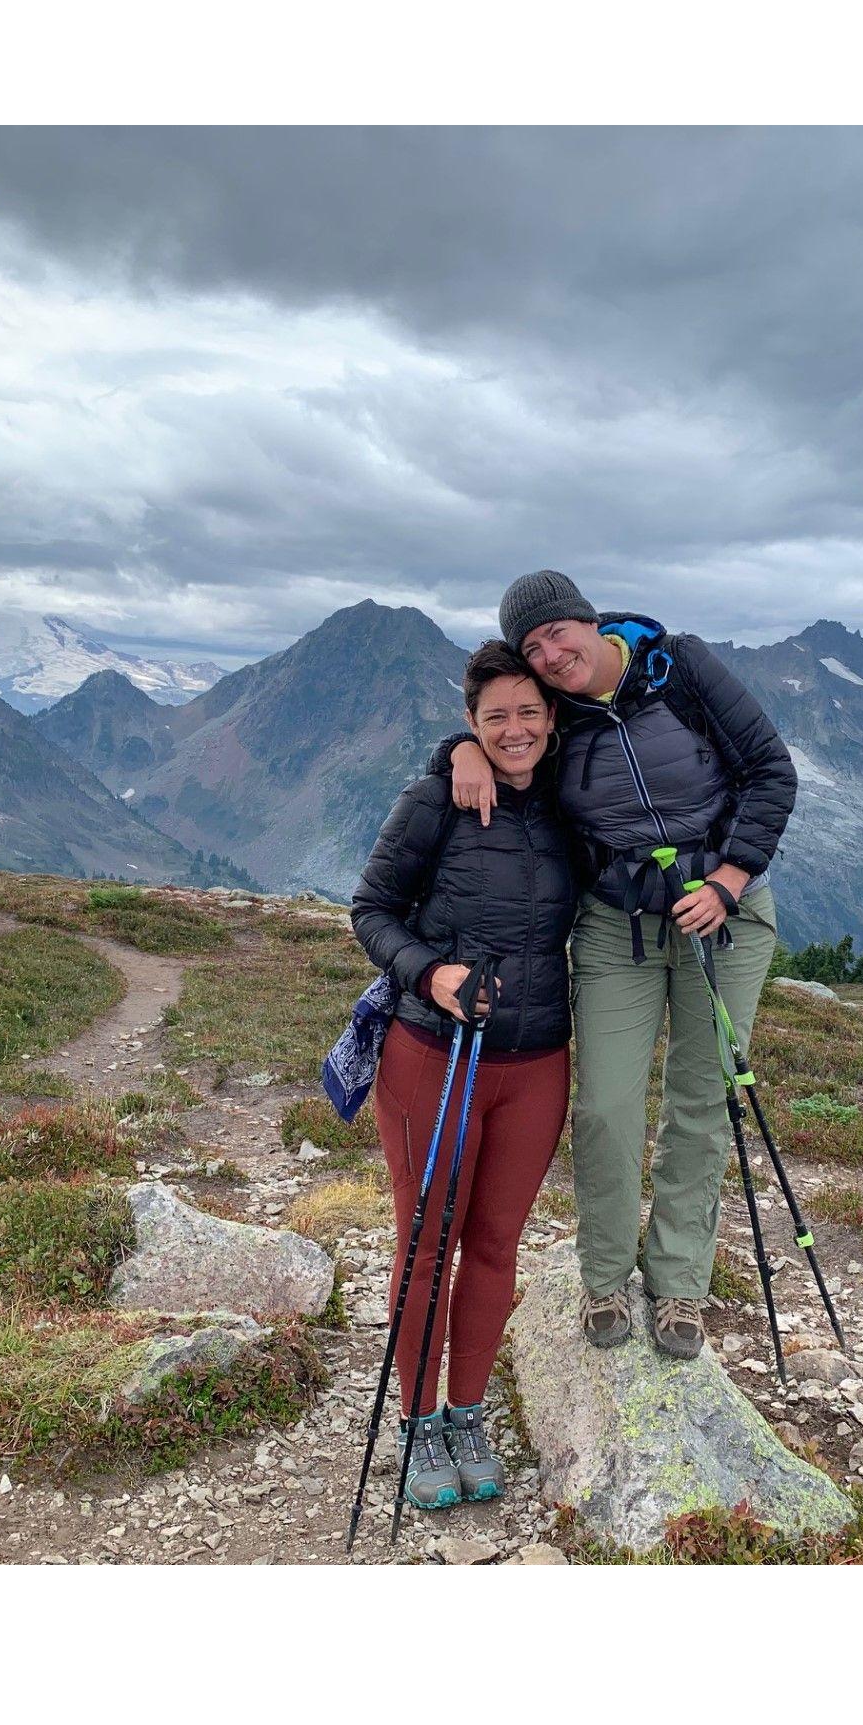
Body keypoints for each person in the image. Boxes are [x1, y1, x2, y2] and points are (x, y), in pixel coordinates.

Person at [443, 570, 795, 1361]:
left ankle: (678, 1287)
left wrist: (731, 881)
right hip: (615, 925)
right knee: (604, 1105)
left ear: (588, 621)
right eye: (533, 649)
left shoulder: (681, 666)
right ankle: (604, 1275)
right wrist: (463, 744)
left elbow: (771, 771)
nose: (551, 655)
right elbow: (507, 732)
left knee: (701, 1102)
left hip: (724, 916)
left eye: (556, 634)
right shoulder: (553, 710)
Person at [350, 640, 575, 1513]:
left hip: (537, 1060)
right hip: (432, 1056)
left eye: (529, 713)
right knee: (426, 1246)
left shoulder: (566, 803)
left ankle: (466, 1414)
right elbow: (369, 909)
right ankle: (414, 1423)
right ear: (471, 721)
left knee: (492, 1247)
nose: (514, 731)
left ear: (552, 721)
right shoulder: (435, 798)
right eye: (494, 719)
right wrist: (432, 974)